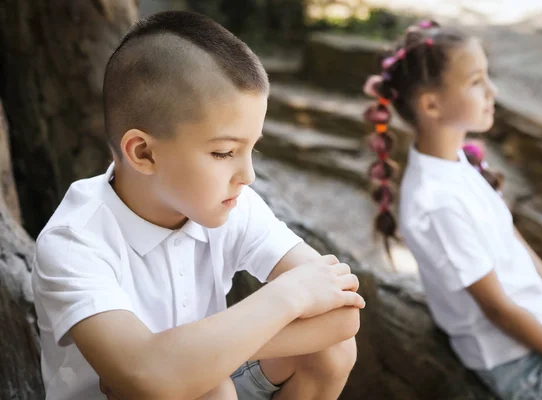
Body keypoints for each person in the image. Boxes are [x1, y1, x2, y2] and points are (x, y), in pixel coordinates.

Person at [32, 11, 365, 400]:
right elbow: (147, 379)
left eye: (251, 148)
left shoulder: (234, 204)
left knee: (329, 351)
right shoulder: (75, 241)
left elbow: (343, 315)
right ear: (143, 153)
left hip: (197, 380)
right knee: (210, 390)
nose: (249, 175)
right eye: (224, 152)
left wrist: (188, 358)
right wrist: (289, 296)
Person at [362, 19, 542, 400]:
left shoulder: (457, 163)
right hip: (518, 361)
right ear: (431, 104)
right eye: (476, 82)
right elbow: (498, 310)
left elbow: (517, 244)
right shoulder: (436, 201)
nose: (493, 91)